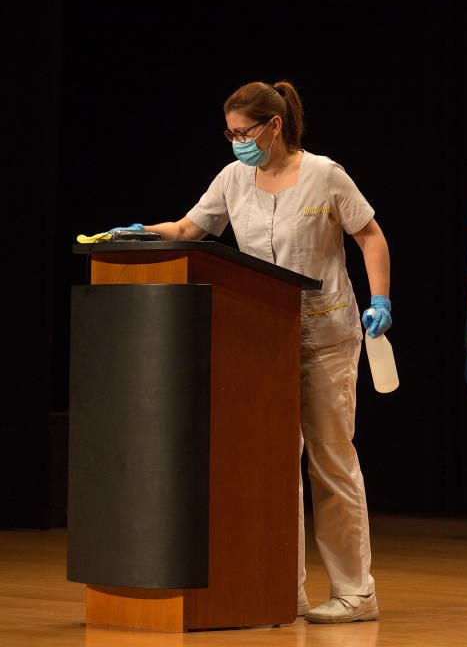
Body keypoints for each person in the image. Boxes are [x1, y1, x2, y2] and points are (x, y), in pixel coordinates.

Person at [107, 80, 389, 624]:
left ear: (274, 126)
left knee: (331, 460)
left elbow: (370, 235)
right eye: (230, 133)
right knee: (271, 467)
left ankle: (357, 591)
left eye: (244, 132)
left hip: (326, 336)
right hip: (264, 339)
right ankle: (284, 588)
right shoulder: (234, 178)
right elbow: (192, 227)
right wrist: (143, 233)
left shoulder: (324, 174)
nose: (237, 142)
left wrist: (381, 299)